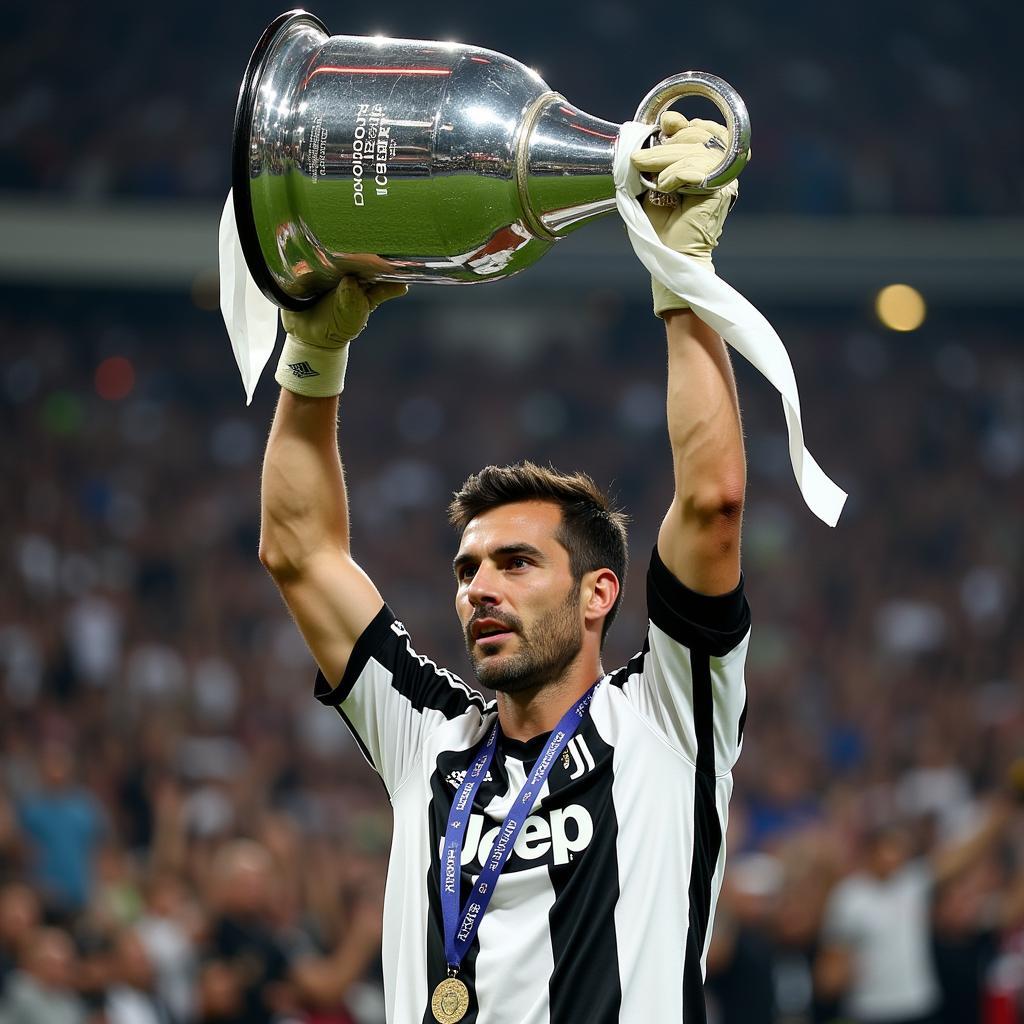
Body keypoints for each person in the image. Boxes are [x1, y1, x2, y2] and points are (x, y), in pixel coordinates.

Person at [259, 114, 750, 1023]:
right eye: (467, 567)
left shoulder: (670, 716)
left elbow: (713, 502)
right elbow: (299, 552)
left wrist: (681, 276)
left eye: (516, 562)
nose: (477, 587)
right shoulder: (428, 736)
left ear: (600, 591)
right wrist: (315, 352)